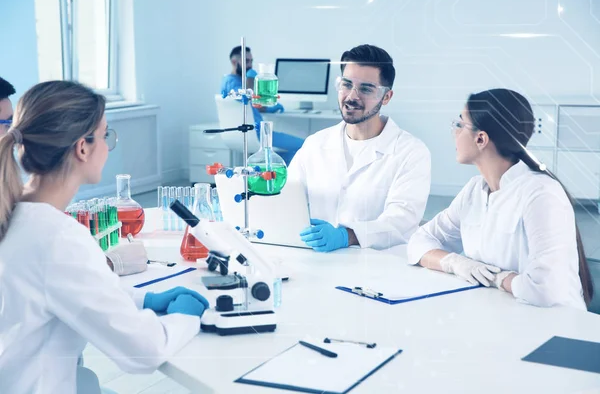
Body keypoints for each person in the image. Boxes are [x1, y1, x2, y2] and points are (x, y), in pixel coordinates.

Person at [0, 81, 210, 393]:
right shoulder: (57, 237)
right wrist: (185, 317)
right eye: (105, 136)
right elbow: (144, 352)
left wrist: (143, 299)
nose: (107, 147)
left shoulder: (14, 210)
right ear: (82, 148)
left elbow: (59, 292)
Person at [407, 88, 594, 310]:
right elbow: (418, 243)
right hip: (503, 315)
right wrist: (455, 263)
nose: (454, 132)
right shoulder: (474, 191)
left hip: (556, 327)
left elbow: (547, 289)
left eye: (459, 125)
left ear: (481, 138)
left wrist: (498, 279)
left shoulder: (541, 192)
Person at [289, 44, 431, 252]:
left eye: (365, 89)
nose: (352, 96)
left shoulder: (411, 152)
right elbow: (289, 199)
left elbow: (402, 221)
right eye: (346, 84)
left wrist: (346, 236)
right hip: (316, 260)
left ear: (387, 97)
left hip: (376, 268)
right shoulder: (315, 144)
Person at [220, 45, 304, 165]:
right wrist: (250, 77)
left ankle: (268, 165)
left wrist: (270, 107)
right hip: (257, 133)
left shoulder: (233, 81)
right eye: (246, 61)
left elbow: (253, 104)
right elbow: (248, 95)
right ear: (234, 62)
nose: (250, 65)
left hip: (255, 132)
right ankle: (271, 166)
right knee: (304, 146)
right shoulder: (231, 83)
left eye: (251, 61)